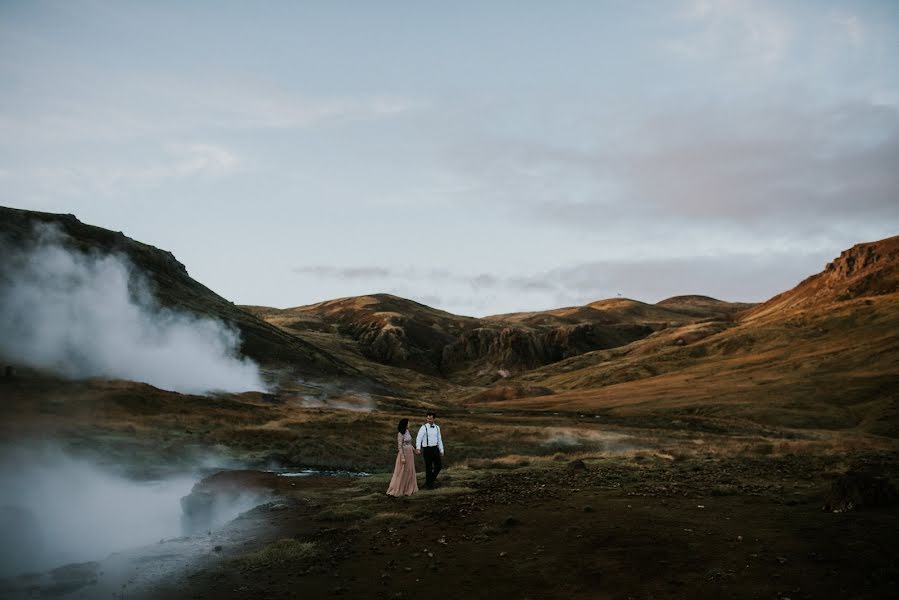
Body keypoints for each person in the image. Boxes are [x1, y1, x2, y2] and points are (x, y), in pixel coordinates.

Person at [386, 418, 419, 497]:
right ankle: (398, 489)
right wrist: (402, 457)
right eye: (408, 423)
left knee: (409, 470)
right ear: (405, 424)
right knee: (402, 471)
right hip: (404, 453)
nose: (409, 424)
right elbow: (400, 447)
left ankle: (408, 488)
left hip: (410, 453)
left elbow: (410, 443)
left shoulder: (407, 431)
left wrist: (415, 450)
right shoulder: (400, 433)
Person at [415, 411, 444, 489]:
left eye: (430, 419)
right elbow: (419, 438)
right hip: (427, 449)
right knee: (429, 467)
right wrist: (418, 447)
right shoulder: (423, 427)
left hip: (435, 449)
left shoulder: (437, 427)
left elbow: (439, 439)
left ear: (434, 419)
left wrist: (441, 449)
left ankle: (430, 480)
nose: (428, 420)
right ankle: (429, 484)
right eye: (427, 418)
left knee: (439, 466)